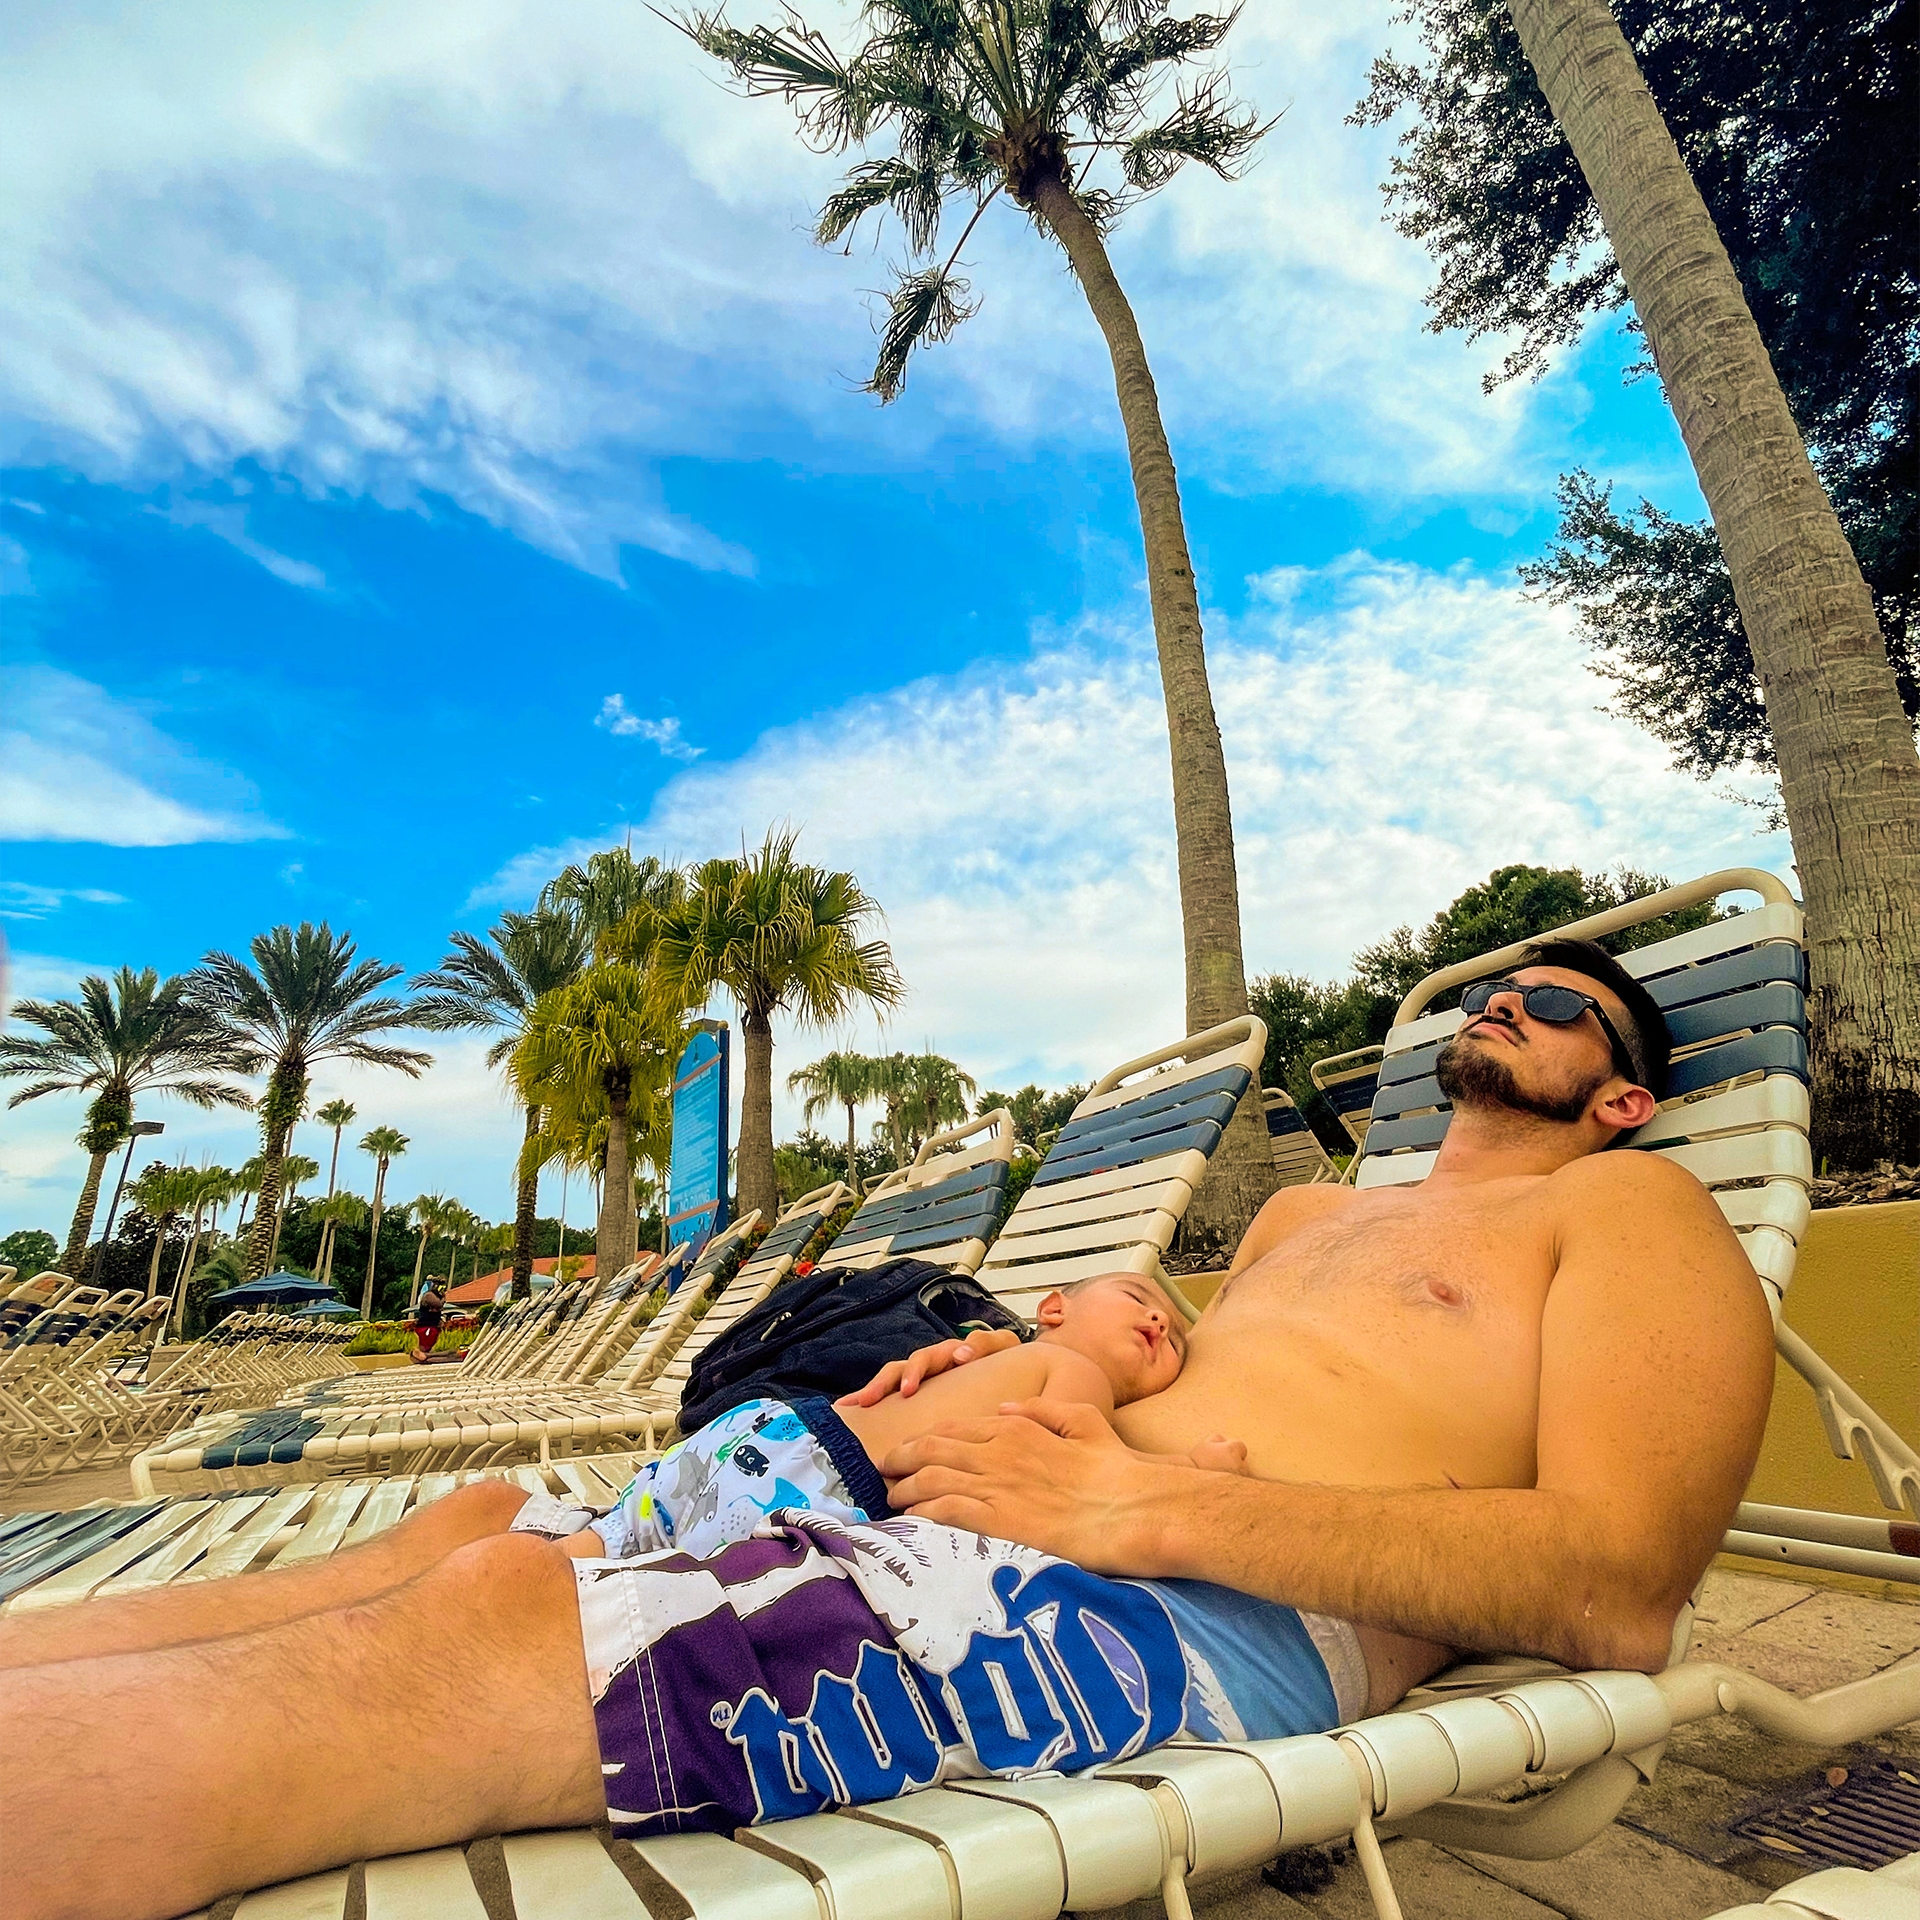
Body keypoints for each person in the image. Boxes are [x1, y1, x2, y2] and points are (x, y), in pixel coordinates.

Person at [0, 941, 1775, 1920]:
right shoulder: (1313, 1219)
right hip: (1010, 1514)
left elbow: (1620, 1586)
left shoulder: (1633, 1214)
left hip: (1199, 1611)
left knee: (474, 1645)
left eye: (1559, 1007)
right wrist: (1001, 1362)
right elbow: (1188, 1382)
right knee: (470, 1537)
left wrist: (1140, 1513)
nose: (1505, 1004)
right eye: (1493, 992)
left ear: (1622, 1096)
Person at [512, 1271, 1222, 1562]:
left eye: (1178, 1341)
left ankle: (496, 1576)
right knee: (618, 1599)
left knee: (585, 1558)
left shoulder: (992, 1351)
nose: (1162, 1320)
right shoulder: (1074, 1373)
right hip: (820, 1486)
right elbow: (1093, 1484)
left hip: (766, 1430)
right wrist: (1191, 1469)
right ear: (1054, 1309)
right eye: (1138, 1298)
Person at [409, 1279, 447, 1360]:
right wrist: (443, 1297)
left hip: (433, 1324)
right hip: (426, 1324)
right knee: (426, 1342)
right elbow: (438, 1304)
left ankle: (428, 1354)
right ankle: (422, 1354)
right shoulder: (429, 1295)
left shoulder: (436, 1295)